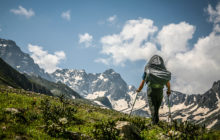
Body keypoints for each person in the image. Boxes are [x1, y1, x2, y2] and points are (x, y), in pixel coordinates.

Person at [136, 55, 171, 125]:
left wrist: (139, 90)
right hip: (160, 91)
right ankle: (156, 123)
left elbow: (142, 82)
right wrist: (168, 90)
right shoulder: (163, 70)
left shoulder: (148, 69)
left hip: (151, 90)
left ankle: (154, 124)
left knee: (153, 107)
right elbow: (168, 83)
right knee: (156, 108)